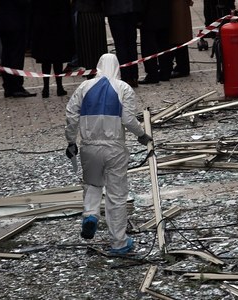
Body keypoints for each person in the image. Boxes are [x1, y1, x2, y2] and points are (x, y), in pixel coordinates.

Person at [64, 53, 152, 254]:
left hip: (89, 146)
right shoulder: (123, 88)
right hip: (114, 148)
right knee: (116, 196)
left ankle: (91, 214)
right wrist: (141, 135)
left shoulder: (84, 87)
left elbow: (71, 115)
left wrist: (71, 141)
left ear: (98, 67)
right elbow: (129, 120)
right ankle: (119, 243)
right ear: (117, 68)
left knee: (93, 183)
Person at [30, 0, 75, 98]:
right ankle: (59, 87)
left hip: (43, 25)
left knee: (45, 59)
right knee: (57, 58)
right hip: (59, 24)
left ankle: (45, 88)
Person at [0, 0, 36, 98]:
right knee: (16, 55)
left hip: (3, 20)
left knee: (7, 54)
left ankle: (8, 86)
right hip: (15, 21)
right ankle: (16, 87)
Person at [103, 0, 140, 88]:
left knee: (120, 45)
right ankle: (134, 76)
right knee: (131, 44)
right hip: (131, 9)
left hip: (115, 11)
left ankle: (126, 77)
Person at [137, 0, 172, 84]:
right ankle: (165, 72)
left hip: (149, 17)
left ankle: (152, 74)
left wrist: (138, 18)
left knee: (149, 48)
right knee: (164, 45)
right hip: (164, 14)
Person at [75, 0, 107, 79]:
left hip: (84, 13)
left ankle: (90, 71)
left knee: (86, 45)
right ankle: (99, 69)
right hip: (97, 12)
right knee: (99, 44)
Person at [168, 0, 194, 79]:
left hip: (176, 7)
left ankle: (182, 68)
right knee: (179, 38)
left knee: (178, 38)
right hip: (179, 7)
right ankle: (182, 67)